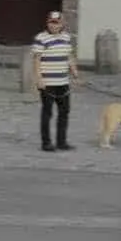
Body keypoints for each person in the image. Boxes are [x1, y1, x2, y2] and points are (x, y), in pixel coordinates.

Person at [32, 10, 80, 152]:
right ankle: (46, 143)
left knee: (64, 112)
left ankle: (61, 141)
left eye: (57, 23)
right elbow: (37, 60)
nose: (54, 26)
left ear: (62, 24)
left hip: (63, 82)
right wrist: (39, 78)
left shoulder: (66, 38)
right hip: (48, 83)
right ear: (47, 23)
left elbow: (69, 56)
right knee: (47, 113)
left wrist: (74, 71)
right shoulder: (41, 38)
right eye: (51, 23)